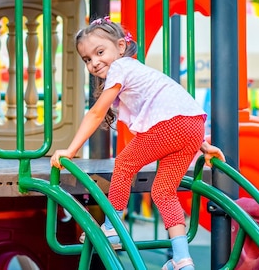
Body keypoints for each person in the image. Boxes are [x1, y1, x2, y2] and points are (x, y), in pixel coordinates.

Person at [51, 16, 225, 270]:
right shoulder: (138, 72)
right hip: (192, 127)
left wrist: (71, 149)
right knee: (164, 192)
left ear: (121, 47)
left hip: (172, 126)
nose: (95, 62)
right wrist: (203, 145)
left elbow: (96, 112)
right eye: (87, 59)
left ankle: (112, 229)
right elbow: (176, 108)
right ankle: (182, 259)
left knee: (123, 163)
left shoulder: (121, 68)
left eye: (100, 52)